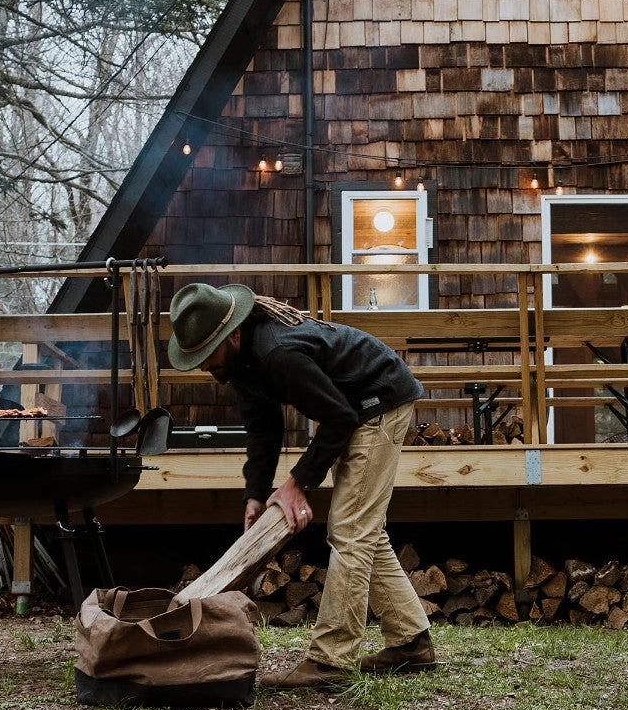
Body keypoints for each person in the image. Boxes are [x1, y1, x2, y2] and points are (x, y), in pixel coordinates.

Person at [167, 281, 437, 689]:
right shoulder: (240, 363)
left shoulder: (278, 353)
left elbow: (340, 418)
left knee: (351, 531)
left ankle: (331, 662)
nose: (204, 366)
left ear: (232, 334)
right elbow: (263, 428)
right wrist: (256, 494)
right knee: (363, 528)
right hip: (352, 408)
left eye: (207, 354)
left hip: (378, 401)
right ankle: (411, 643)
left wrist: (297, 484)